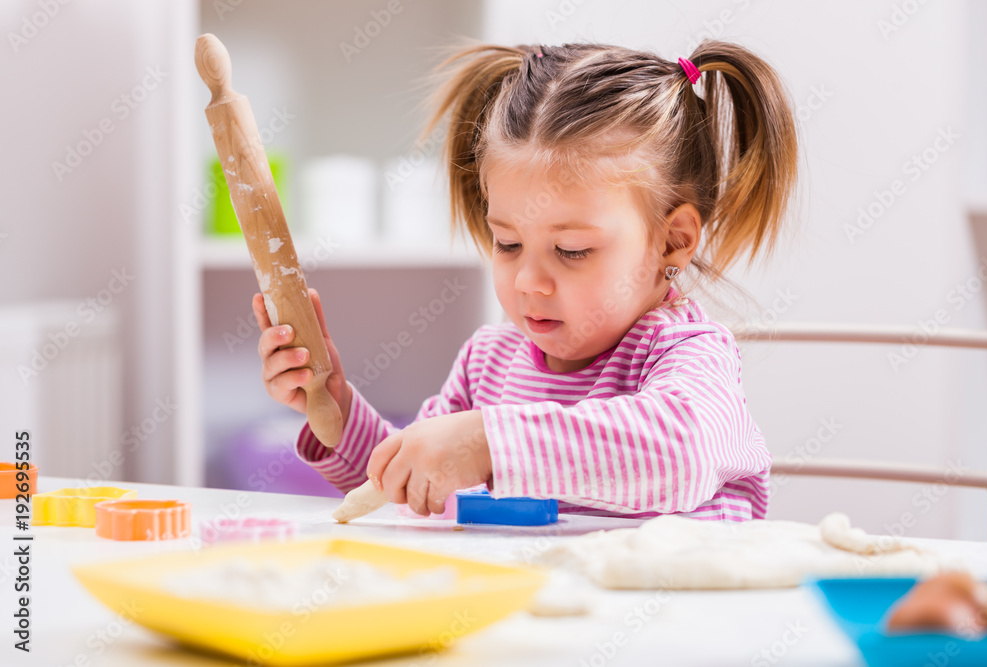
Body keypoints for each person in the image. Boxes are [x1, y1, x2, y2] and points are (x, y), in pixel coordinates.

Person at [254, 39, 799, 520]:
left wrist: (486, 443)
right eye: (508, 243)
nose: (529, 282)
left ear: (673, 241)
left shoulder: (687, 354)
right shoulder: (489, 362)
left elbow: (682, 453)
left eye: (572, 250)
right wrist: (337, 412)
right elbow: (417, 488)